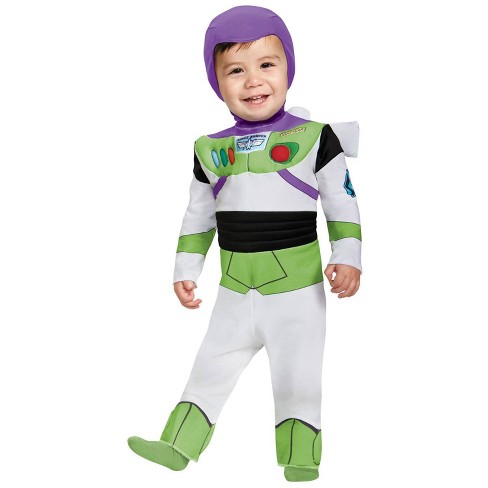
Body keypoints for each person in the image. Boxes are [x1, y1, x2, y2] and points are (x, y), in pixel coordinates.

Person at [128, 5, 362, 482]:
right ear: (216, 82)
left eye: (267, 64)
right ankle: (177, 446)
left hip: (298, 295)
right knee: (207, 370)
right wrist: (185, 270)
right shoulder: (210, 150)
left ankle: (301, 459)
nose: (253, 80)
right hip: (234, 294)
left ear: (288, 68)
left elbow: (342, 203)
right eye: (235, 70)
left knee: (298, 379)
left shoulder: (315, 139)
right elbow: (198, 216)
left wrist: (348, 257)